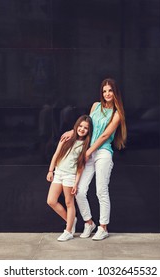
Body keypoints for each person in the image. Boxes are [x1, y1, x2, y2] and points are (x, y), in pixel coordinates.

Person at [62, 78, 127, 240]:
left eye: (110, 91)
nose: (107, 94)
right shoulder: (95, 106)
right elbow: (87, 124)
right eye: (104, 91)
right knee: (79, 190)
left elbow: (105, 135)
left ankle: (103, 227)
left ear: (115, 92)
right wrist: (73, 131)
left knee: (101, 190)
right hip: (88, 152)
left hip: (103, 152)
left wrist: (89, 150)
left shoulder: (117, 113)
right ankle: (89, 222)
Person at [47, 115, 93, 241]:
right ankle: (71, 221)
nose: (82, 129)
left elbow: (80, 167)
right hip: (58, 173)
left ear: (89, 131)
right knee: (51, 201)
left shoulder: (84, 146)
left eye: (86, 128)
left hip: (70, 176)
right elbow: (56, 154)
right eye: (81, 126)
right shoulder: (67, 138)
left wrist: (76, 183)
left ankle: (68, 231)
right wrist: (51, 170)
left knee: (69, 203)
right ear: (76, 126)